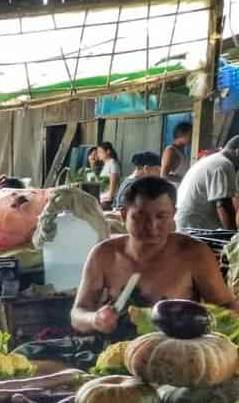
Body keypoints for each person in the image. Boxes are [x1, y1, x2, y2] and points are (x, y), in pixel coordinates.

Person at [73, 177, 239, 337]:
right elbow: (78, 314)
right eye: (140, 216)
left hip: (179, 352)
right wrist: (95, 320)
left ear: (173, 214)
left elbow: (226, 307)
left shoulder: (194, 253)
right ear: (124, 216)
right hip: (115, 349)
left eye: (161, 216)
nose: (151, 226)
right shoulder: (103, 254)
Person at [175, 137, 239, 231]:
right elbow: (223, 204)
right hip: (195, 226)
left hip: (188, 223)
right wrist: (233, 235)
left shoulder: (214, 160)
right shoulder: (224, 164)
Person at [97, 142, 122, 206]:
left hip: (108, 199)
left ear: (108, 151)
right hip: (103, 197)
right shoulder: (106, 164)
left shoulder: (113, 164)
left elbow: (113, 181)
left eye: (100, 152)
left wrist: (109, 198)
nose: (98, 154)